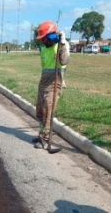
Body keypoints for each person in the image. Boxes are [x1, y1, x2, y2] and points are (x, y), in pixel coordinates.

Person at [33, 21, 70, 149]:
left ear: (51, 36)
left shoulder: (61, 46)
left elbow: (64, 60)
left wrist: (63, 42)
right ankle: (41, 134)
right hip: (43, 83)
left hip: (55, 83)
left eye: (44, 39)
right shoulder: (44, 49)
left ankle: (44, 139)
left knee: (47, 111)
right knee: (39, 111)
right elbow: (44, 67)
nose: (42, 41)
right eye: (41, 39)